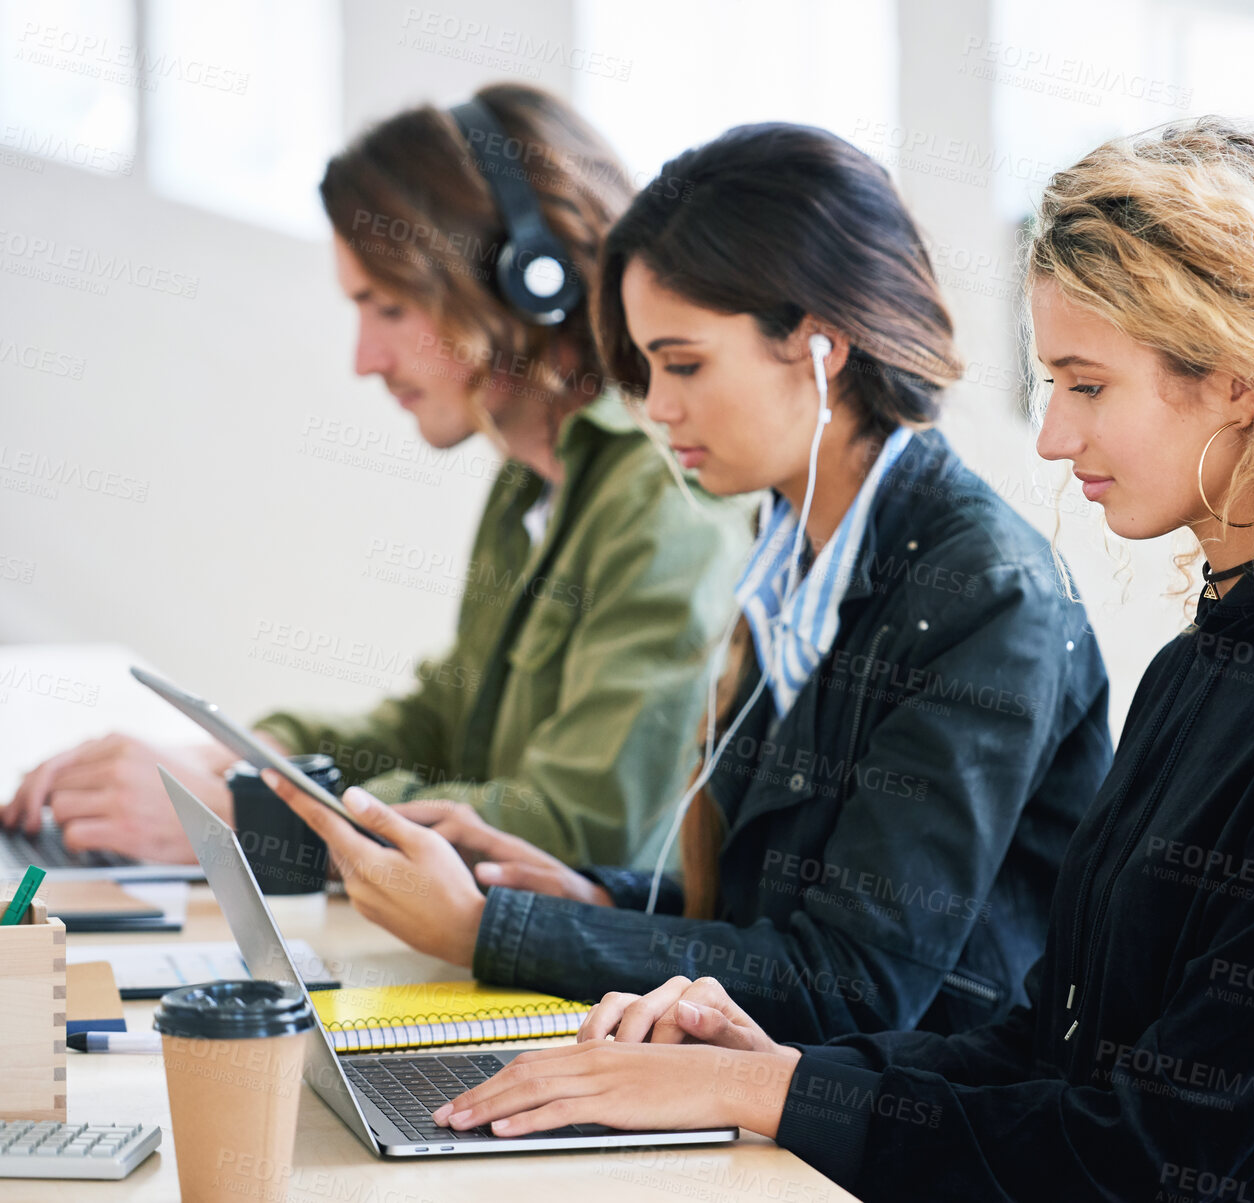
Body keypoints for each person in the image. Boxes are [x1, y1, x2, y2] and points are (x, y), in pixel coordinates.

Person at [408, 118, 1254, 1202]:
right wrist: (779, 1068)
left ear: (1235, 377)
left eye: (1085, 385)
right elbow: (1045, 1042)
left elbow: (1150, 1159)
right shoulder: (1209, 660)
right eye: (1051, 385)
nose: (1054, 438)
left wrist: (756, 1089)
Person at [262, 121, 1112, 1043]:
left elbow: (857, 982)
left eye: (684, 365)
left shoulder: (983, 594)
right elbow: (771, 914)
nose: (657, 408)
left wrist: (491, 929)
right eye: (648, 367)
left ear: (820, 346)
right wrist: (592, 897)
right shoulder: (791, 555)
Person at [0, 83, 754, 868]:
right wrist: (243, 756)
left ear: (524, 277)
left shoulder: (663, 501)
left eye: (388, 307)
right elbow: (441, 727)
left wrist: (241, 818)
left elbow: (581, 827)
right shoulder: (532, 483)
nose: (365, 359)